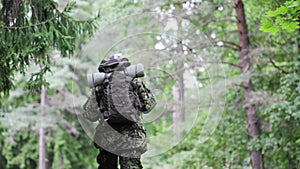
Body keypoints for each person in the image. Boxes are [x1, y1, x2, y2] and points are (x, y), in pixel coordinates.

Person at [83, 54, 156, 169]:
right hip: (131, 138)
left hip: (107, 138)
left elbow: (90, 115)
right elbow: (148, 106)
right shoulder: (134, 82)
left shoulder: (99, 86)